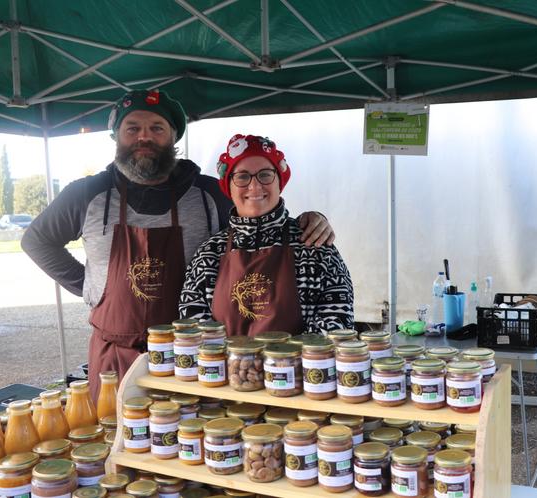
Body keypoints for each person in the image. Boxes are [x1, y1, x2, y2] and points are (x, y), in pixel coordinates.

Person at [21, 90, 334, 399]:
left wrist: (309, 220)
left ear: (173, 137)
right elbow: (37, 241)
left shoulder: (211, 194)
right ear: (117, 137)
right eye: (133, 128)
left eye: (157, 128)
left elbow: (258, 218)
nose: (145, 137)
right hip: (114, 357)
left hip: (189, 360)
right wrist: (91, 287)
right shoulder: (86, 194)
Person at [179, 134, 354, 335]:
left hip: (300, 366)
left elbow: (337, 321)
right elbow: (192, 324)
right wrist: (237, 361)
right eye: (242, 176)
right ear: (229, 187)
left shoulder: (314, 246)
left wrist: (284, 361)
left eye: (265, 175)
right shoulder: (209, 253)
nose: (254, 186)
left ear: (280, 181)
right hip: (225, 366)